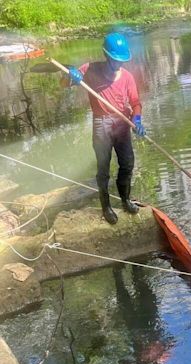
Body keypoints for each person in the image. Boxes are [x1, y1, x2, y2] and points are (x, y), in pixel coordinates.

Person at [62, 32, 145, 224]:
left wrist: (137, 119)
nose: (118, 64)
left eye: (121, 60)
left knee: (127, 164)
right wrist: (70, 76)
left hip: (123, 122)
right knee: (103, 168)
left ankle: (125, 200)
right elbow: (63, 85)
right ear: (106, 55)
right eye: (115, 60)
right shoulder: (89, 69)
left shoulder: (127, 77)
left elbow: (135, 102)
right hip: (101, 125)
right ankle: (106, 206)